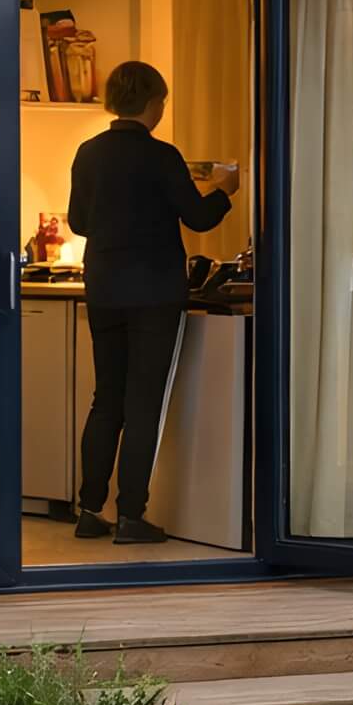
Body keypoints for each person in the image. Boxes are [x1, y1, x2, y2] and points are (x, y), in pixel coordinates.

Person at [66, 61, 238, 543]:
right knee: (142, 404)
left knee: (107, 402)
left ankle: (88, 509)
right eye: (161, 101)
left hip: (103, 288)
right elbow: (200, 219)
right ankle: (130, 517)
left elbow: (79, 222)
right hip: (153, 295)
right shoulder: (161, 156)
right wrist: (225, 190)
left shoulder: (88, 152)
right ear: (152, 103)